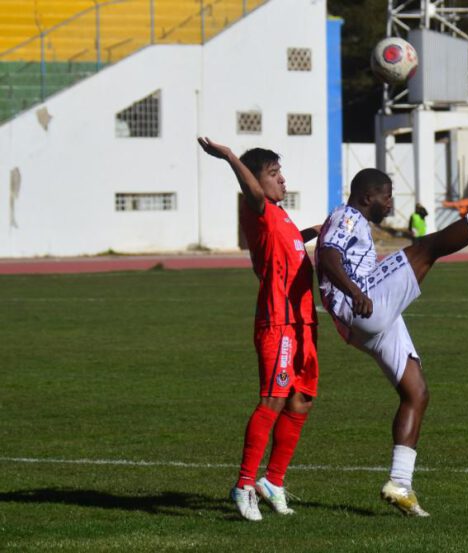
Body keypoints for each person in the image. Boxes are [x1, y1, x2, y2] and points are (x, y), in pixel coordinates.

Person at [316, 157, 468, 517]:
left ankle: (400, 483)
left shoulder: (350, 220)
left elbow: (330, 246)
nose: (391, 203)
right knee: (427, 248)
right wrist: (355, 291)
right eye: (387, 196)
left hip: (365, 319)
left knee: (417, 393)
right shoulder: (347, 216)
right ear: (368, 196)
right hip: (361, 303)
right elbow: (328, 255)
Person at [198, 137, 321, 522]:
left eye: (280, 172)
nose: (282, 180)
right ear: (256, 181)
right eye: (273, 174)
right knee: (272, 400)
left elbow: (288, 248)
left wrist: (315, 230)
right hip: (278, 323)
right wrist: (231, 157)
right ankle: (244, 484)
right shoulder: (259, 208)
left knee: (301, 400)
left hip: (303, 323)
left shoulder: (281, 217)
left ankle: (273, 481)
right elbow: (250, 189)